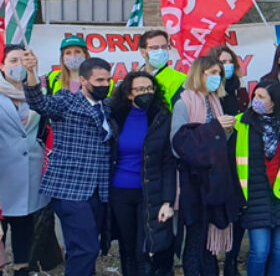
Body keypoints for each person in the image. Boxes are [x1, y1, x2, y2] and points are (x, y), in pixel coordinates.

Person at [24, 54, 114, 276]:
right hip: (69, 189)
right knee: (86, 249)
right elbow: (39, 103)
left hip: (97, 190)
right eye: (99, 80)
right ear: (83, 80)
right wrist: (31, 73)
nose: (105, 84)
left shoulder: (106, 108)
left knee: (81, 248)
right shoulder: (67, 100)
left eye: (107, 80)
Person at [171, 55, 240, 276]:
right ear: (199, 74)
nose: (217, 77)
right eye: (212, 73)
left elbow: (218, 143)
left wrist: (226, 131)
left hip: (215, 180)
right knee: (195, 239)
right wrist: (215, 128)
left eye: (219, 73)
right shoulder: (183, 103)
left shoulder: (215, 101)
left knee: (209, 245)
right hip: (192, 182)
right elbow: (178, 144)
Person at [109, 71, 177, 276]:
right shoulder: (115, 116)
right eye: (139, 89)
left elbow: (168, 162)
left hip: (149, 192)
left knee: (145, 247)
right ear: (129, 94)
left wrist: (168, 200)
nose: (145, 93)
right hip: (120, 191)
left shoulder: (162, 116)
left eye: (149, 88)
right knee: (127, 246)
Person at [234, 81, 280, 276]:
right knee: (260, 250)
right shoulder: (242, 122)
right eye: (255, 96)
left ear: (274, 102)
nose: (255, 100)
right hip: (256, 195)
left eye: (261, 97)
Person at [0, 46, 50, 276]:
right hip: (4, 173)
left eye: (23, 60)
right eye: (13, 60)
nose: (18, 65)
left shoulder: (38, 92)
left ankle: (22, 268)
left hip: (30, 172)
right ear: (2, 65)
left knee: (24, 226)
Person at [139, 29, 187, 103]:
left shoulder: (181, 79)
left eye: (164, 47)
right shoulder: (133, 78)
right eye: (155, 48)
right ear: (143, 52)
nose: (160, 51)